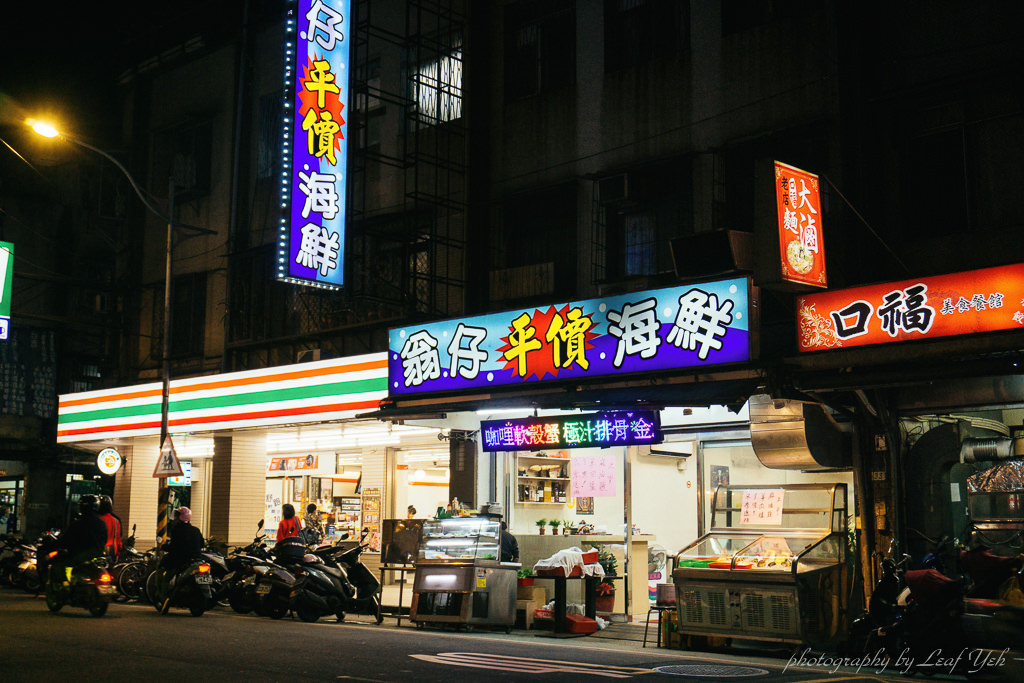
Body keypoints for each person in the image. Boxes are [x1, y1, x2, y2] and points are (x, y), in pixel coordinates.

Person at [159, 506, 205, 613]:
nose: (174, 519)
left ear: (180, 518)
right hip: (197, 560)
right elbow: (202, 544)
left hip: (180, 561)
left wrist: (164, 547)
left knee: (166, 576)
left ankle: (165, 597)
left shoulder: (177, 530)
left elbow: (174, 547)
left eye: (176, 517)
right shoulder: (196, 530)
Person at [54, 494, 108, 584]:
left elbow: (66, 540)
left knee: (58, 564)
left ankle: (65, 585)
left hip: (80, 555)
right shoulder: (101, 523)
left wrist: (56, 545)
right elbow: (104, 539)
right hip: (98, 554)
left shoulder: (79, 523)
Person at [98, 495, 123, 563]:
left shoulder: (96, 520)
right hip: (112, 551)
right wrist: (118, 553)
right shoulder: (116, 521)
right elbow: (118, 539)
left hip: (98, 551)